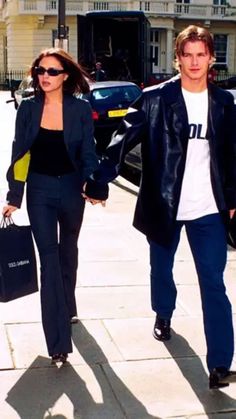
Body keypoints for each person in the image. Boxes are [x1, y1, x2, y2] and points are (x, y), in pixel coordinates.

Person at [84, 25, 236, 389]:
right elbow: (123, 139)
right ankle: (163, 313)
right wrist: (100, 178)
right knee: (161, 269)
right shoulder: (154, 99)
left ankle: (220, 364)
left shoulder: (225, 103)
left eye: (202, 55)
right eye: (188, 55)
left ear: (211, 58)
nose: (195, 62)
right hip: (164, 203)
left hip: (209, 209)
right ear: (178, 58)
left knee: (214, 283)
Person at [2, 48, 108, 364]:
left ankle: (68, 303)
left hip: (72, 189)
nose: (44, 77)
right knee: (48, 260)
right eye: (40, 71)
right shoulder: (28, 109)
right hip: (39, 190)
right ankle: (58, 342)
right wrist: (14, 195)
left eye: (52, 72)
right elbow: (19, 152)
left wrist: (92, 182)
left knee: (67, 252)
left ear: (65, 76)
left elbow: (89, 153)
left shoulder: (79, 109)